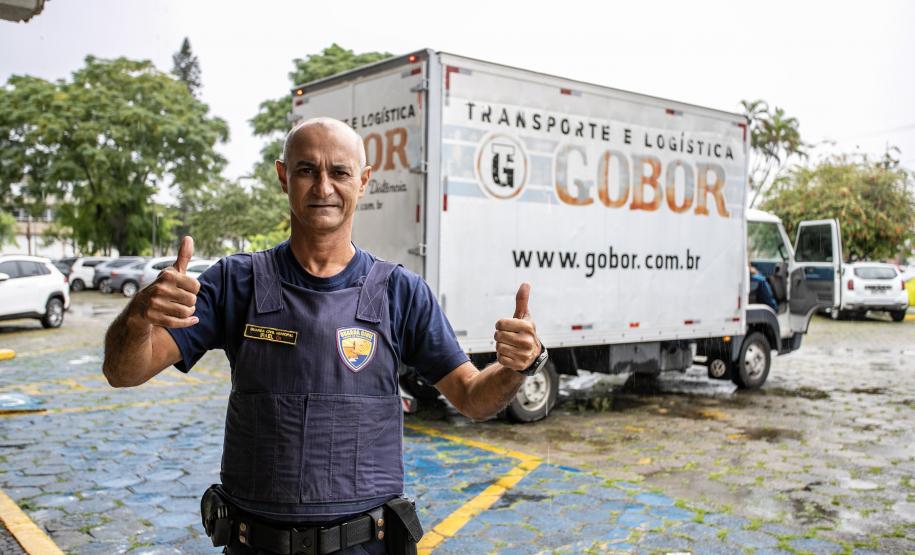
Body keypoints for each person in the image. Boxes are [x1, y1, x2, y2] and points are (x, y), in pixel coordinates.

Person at [102, 117, 547, 555]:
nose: (323, 187)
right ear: (283, 177)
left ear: (364, 181)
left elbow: (472, 397)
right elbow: (125, 372)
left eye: (339, 172)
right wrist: (139, 315)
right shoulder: (236, 282)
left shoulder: (400, 292)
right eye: (306, 170)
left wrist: (516, 368)